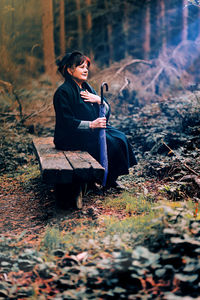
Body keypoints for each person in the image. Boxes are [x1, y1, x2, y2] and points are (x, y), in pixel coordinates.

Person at [53, 51, 137, 189]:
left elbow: (105, 110)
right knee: (111, 143)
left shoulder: (87, 87)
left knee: (120, 137)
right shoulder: (63, 92)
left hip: (90, 130)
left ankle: (110, 178)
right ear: (69, 70)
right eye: (81, 67)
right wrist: (91, 124)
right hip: (70, 137)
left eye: (86, 67)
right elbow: (66, 122)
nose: (86, 70)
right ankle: (99, 179)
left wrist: (99, 100)